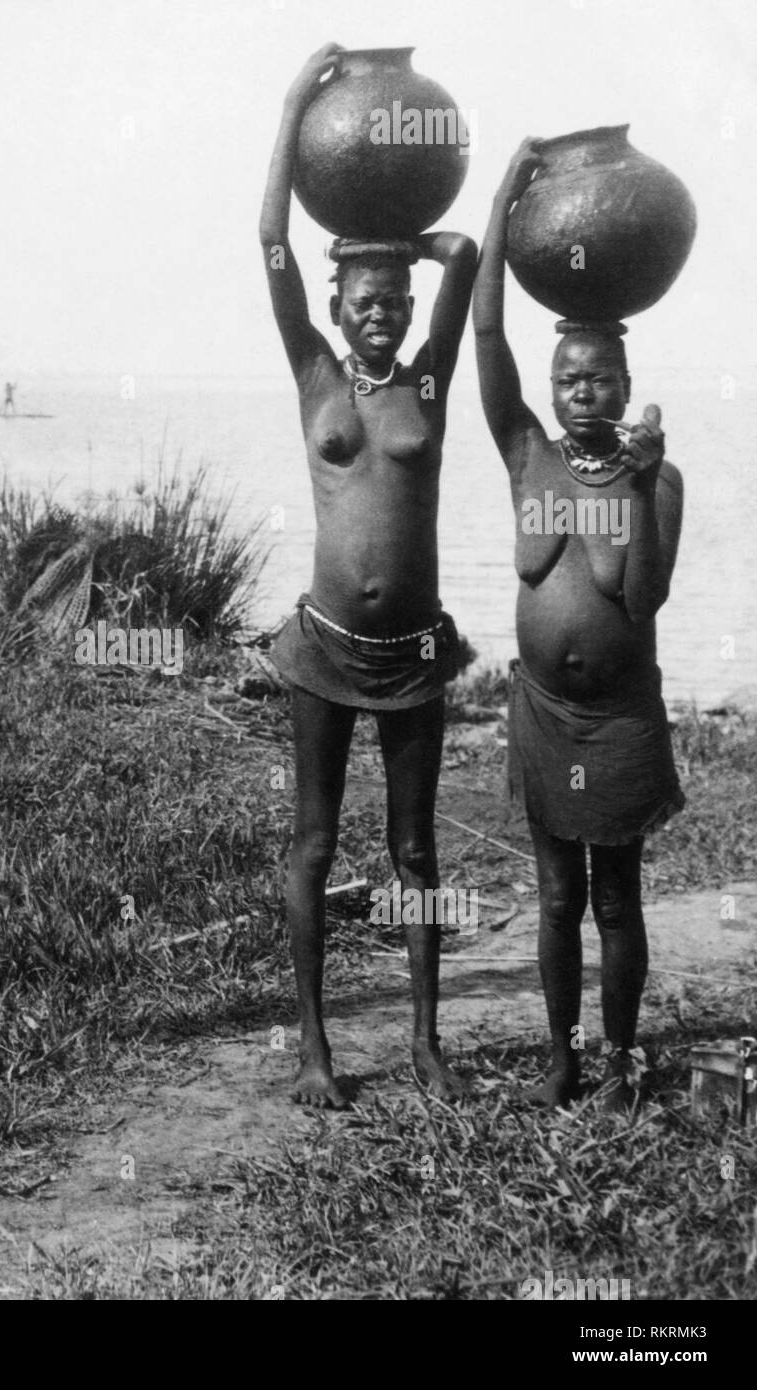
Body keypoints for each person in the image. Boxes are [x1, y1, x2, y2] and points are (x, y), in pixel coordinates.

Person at [260, 44, 478, 1107]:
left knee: (413, 851)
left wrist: (435, 247)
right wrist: (297, 102)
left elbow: (470, 258)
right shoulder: (312, 374)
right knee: (309, 841)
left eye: (392, 293)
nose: (379, 309)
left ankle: (427, 1043)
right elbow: (268, 241)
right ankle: (313, 1049)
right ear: (337, 300)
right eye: (362, 295)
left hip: (414, 649)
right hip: (320, 644)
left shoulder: (428, 381)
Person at [473, 139, 685, 1110]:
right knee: (555, 899)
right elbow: (483, 345)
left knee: (614, 898)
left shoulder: (657, 477)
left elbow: (639, 596)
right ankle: (558, 1060)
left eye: (596, 379)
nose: (579, 392)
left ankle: (615, 1063)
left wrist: (637, 483)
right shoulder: (528, 457)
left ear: (620, 381)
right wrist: (497, 202)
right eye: (566, 380)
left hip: (619, 719)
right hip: (544, 712)